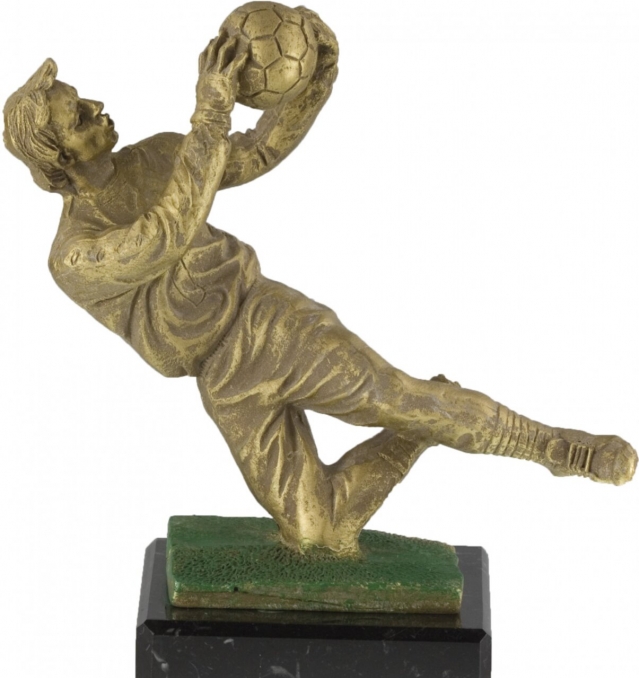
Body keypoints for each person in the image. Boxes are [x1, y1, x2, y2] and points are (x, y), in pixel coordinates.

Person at [3, 10, 636, 556]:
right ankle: (425, 416)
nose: (96, 107)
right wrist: (211, 112)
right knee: (319, 533)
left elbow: (253, 153)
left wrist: (314, 84)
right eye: (78, 116)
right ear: (59, 156)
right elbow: (166, 233)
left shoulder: (160, 154)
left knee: (398, 396)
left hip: (266, 322)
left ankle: (557, 448)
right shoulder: (73, 257)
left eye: (83, 99)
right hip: (223, 382)